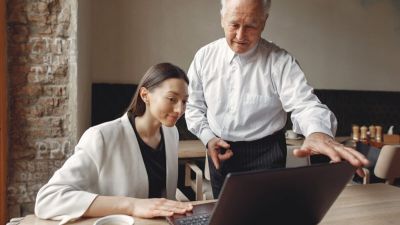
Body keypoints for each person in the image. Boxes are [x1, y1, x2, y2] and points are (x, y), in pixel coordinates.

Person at [185, 0, 369, 197]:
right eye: (234, 24)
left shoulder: (280, 61)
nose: (240, 35)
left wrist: (317, 132)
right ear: (222, 19)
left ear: (264, 22)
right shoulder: (204, 57)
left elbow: (305, 105)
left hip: (266, 154)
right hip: (219, 152)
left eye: (251, 26)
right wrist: (208, 138)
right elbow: (193, 107)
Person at [35, 63, 193, 223]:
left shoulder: (171, 133)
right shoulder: (101, 137)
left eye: (184, 101)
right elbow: (48, 199)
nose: (179, 110)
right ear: (145, 95)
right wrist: (131, 205)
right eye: (172, 99)